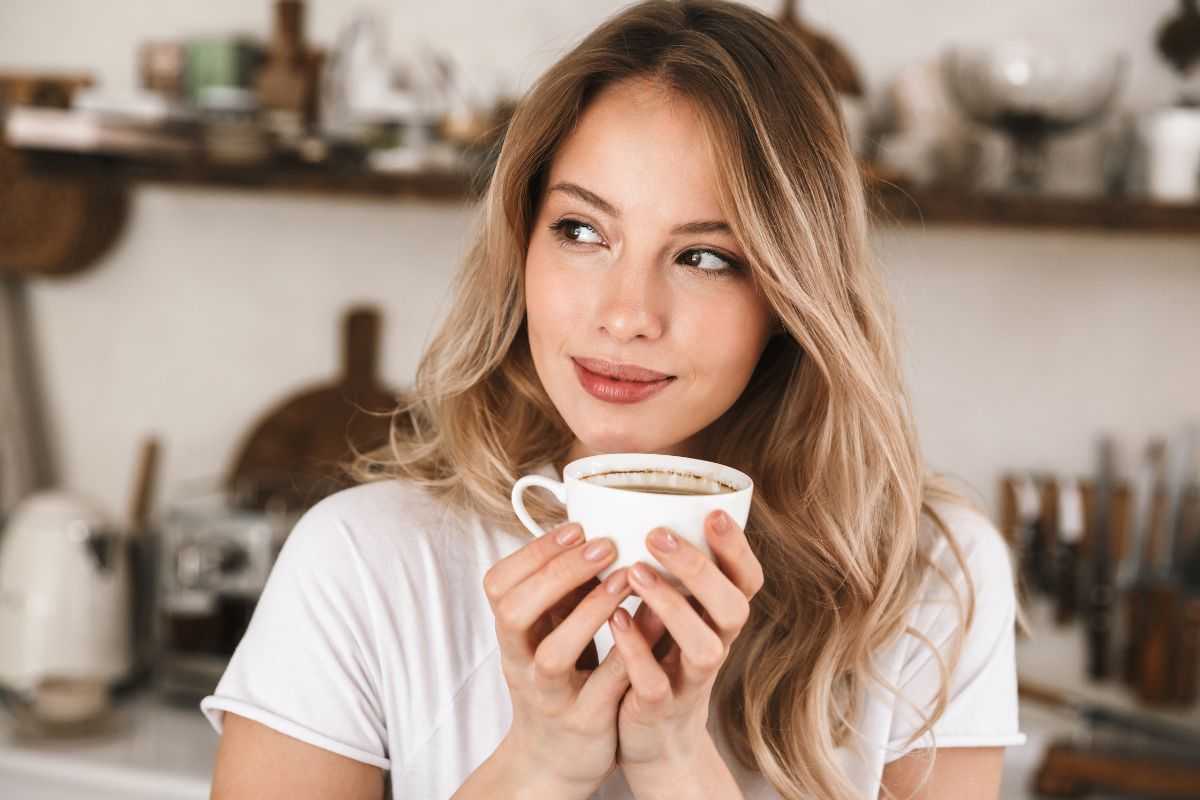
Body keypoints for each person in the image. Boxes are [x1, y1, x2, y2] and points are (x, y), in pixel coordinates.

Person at [203, 1, 1025, 798]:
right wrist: (543, 766)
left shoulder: (927, 580)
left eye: (705, 257)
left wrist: (675, 763)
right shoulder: (361, 564)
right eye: (583, 232)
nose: (627, 315)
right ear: (522, 243)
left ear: (788, 298)